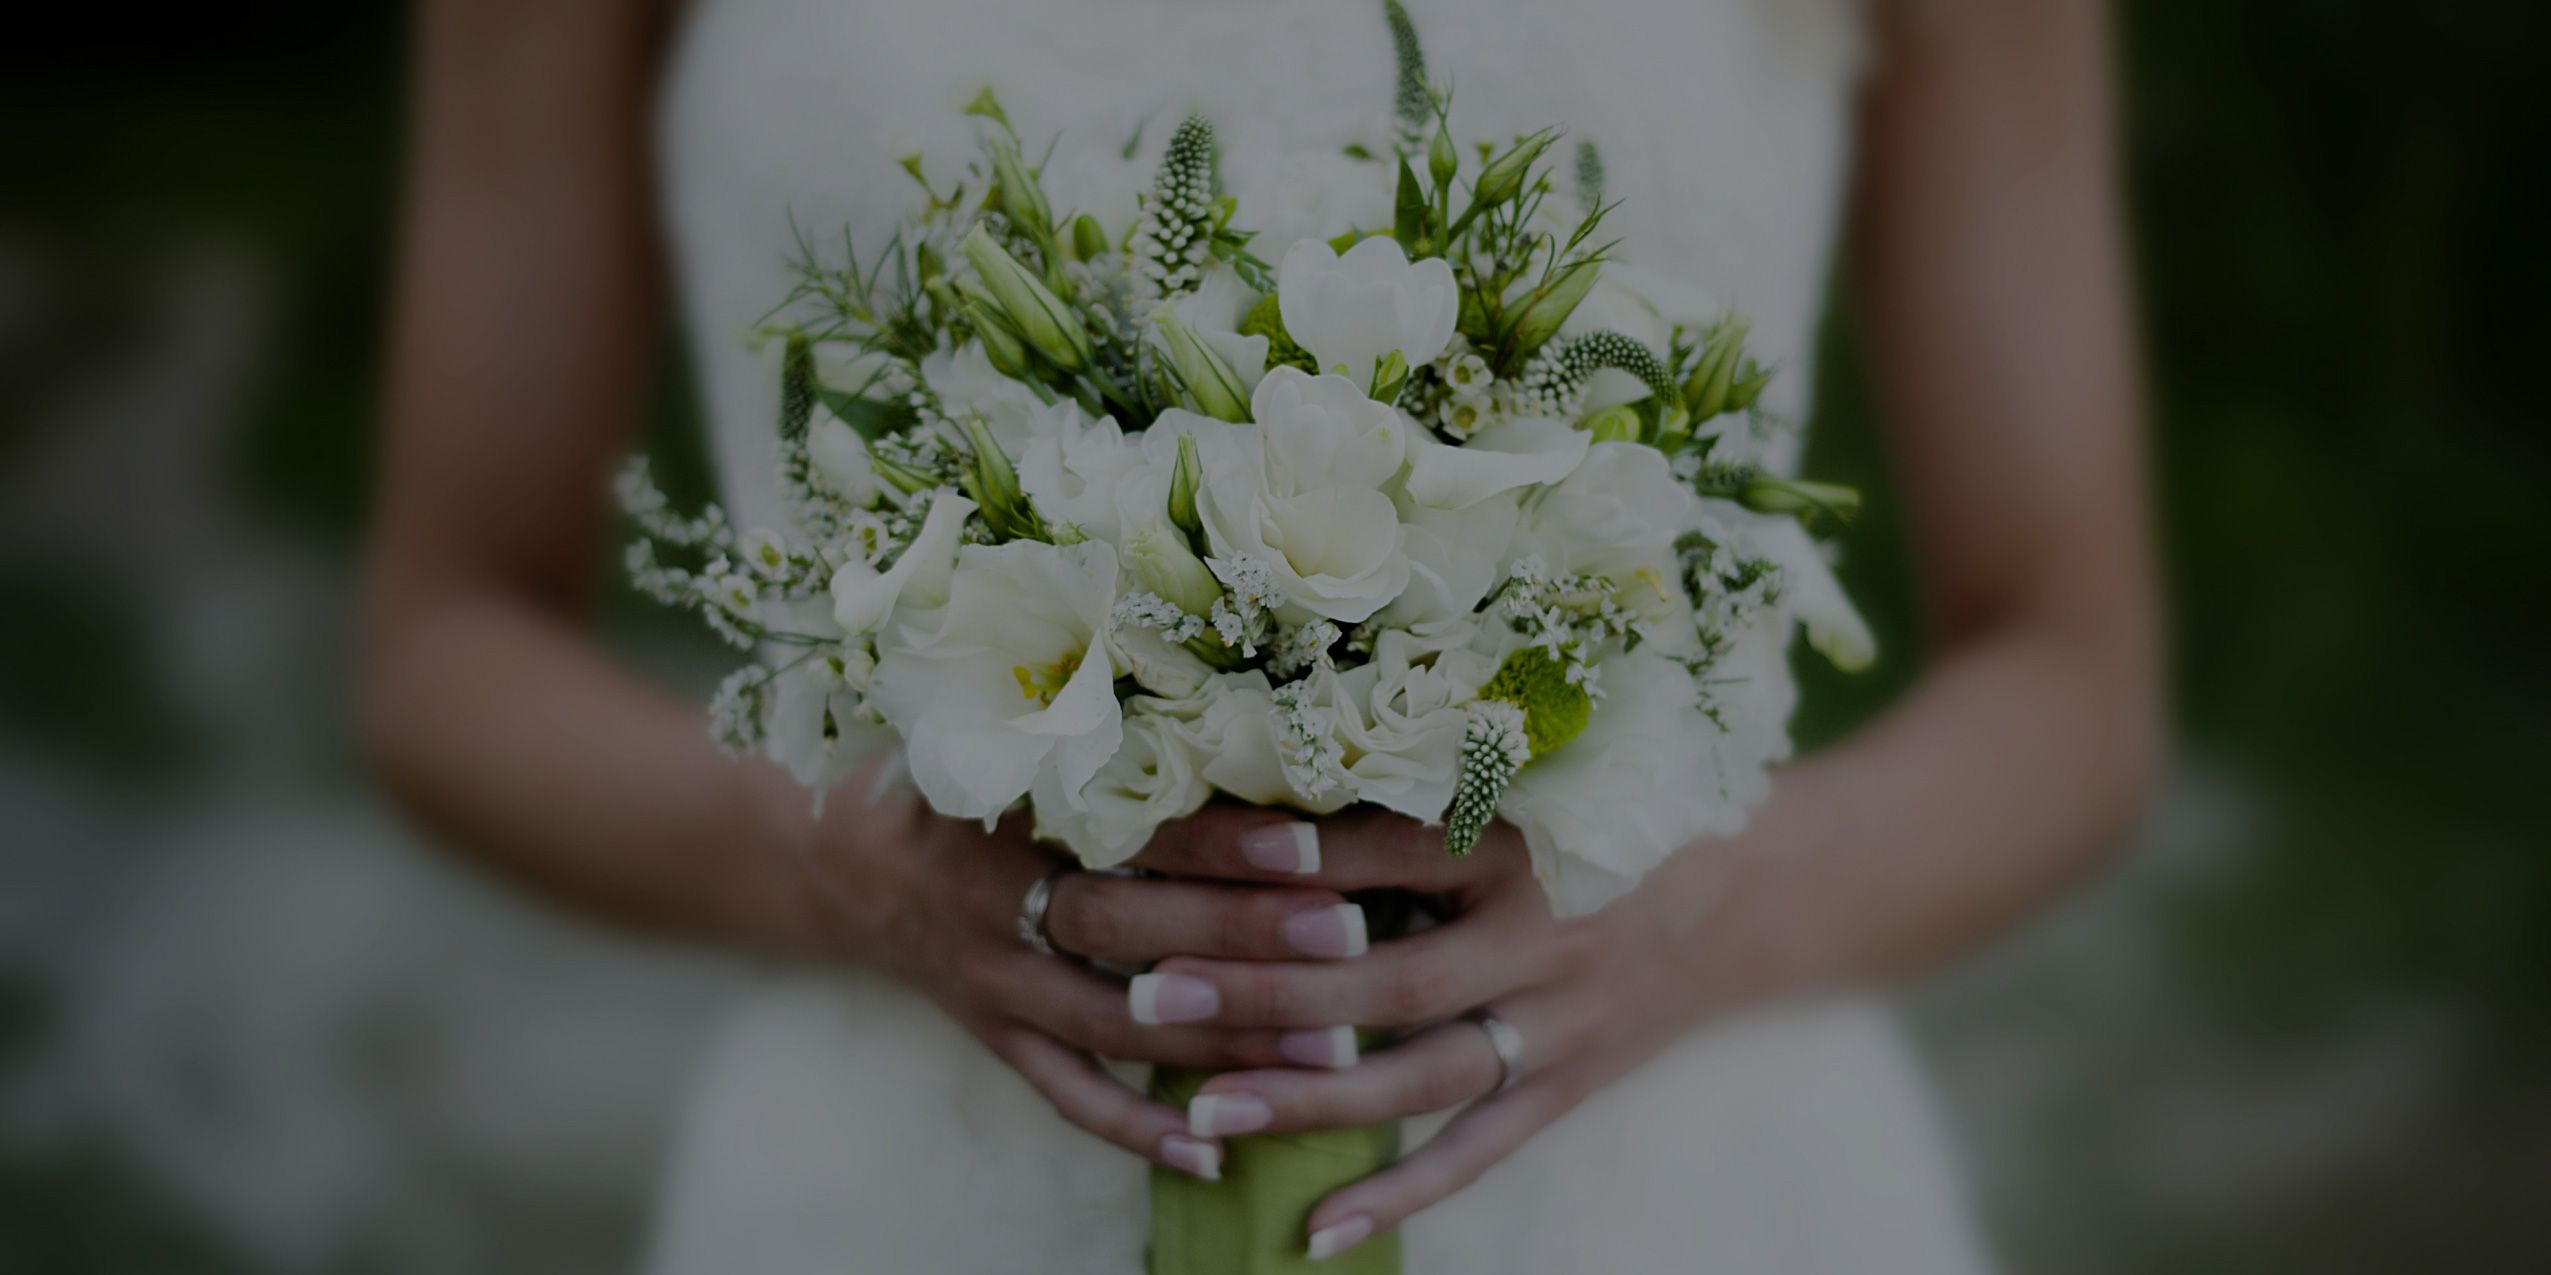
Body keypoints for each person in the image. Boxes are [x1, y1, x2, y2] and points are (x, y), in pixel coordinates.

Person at [360, 0, 2160, 1269]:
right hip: (914, 1178)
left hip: (1680, 1178)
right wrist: (856, 871)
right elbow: (445, 648)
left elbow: (2075, 678)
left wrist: (1698, 912)